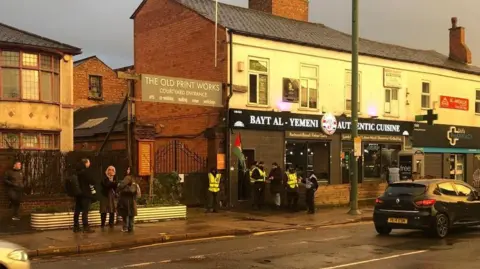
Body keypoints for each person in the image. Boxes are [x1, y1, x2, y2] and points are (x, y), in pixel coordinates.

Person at [73, 158, 96, 233]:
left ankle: (76, 226)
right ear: (86, 163)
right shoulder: (86, 172)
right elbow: (92, 181)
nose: (90, 164)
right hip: (85, 194)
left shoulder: (76, 171)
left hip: (78, 194)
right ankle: (85, 227)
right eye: (89, 162)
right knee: (85, 211)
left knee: (77, 211)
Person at [117, 167, 138, 233]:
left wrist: (119, 187)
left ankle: (125, 227)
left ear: (130, 171)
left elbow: (121, 185)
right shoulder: (134, 178)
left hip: (126, 199)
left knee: (125, 213)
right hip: (132, 199)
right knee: (131, 214)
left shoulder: (128, 177)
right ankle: (130, 227)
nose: (127, 170)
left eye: (128, 169)